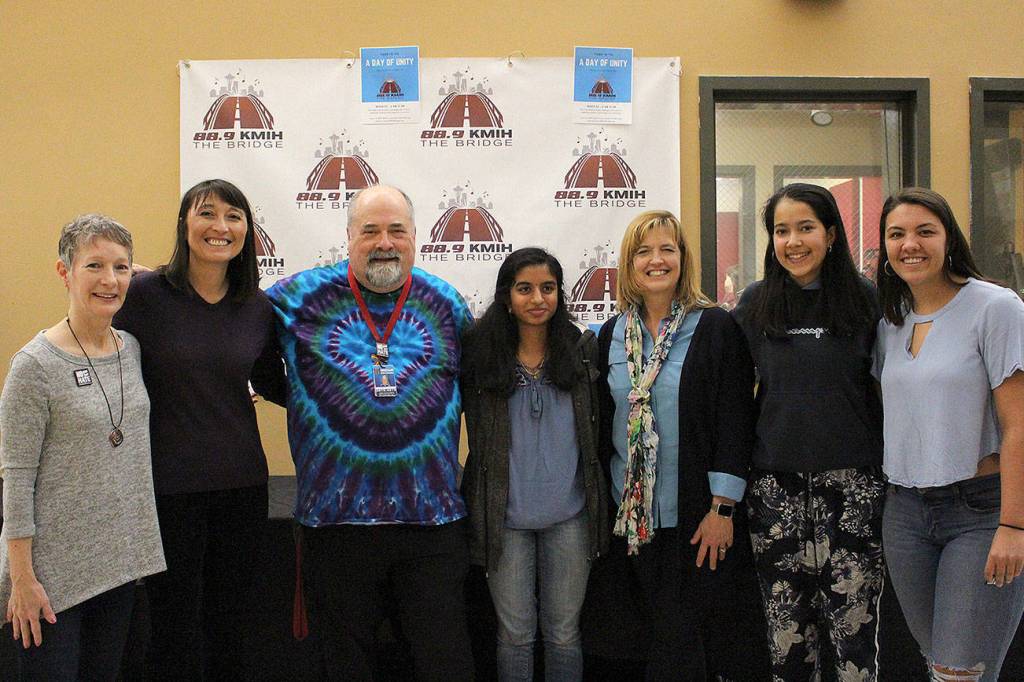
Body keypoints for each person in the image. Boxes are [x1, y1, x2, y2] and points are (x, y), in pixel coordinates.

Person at [266, 184, 475, 681]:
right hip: (335, 526)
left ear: (415, 237)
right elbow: (222, 317)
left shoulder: (447, 303)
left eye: (396, 230)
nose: (385, 242)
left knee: (446, 664)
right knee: (343, 667)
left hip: (431, 524)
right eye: (371, 231)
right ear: (348, 238)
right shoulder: (297, 298)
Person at [113, 179, 286, 679]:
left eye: (234, 216)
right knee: (174, 630)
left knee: (231, 627)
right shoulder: (143, 294)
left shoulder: (257, 307)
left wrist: (350, 407)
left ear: (247, 231)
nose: (220, 226)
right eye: (206, 213)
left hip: (242, 486)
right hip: (167, 489)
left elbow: (275, 382)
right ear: (185, 225)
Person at [595, 209, 764, 680]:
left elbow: (736, 419)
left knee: (685, 644)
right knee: (646, 644)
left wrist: (722, 509)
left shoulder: (714, 328)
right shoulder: (611, 335)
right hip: (631, 520)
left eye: (667, 249)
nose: (656, 260)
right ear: (629, 264)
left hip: (696, 519)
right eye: (644, 251)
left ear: (683, 259)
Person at [0, 215, 165, 680]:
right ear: (64, 272)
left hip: (116, 569)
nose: (109, 280)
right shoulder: (33, 365)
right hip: (51, 580)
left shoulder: (130, 348)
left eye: (121, 267)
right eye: (94, 265)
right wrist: (22, 579)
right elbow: (16, 477)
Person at [732, 184, 885, 681]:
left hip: (855, 487)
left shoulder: (867, 301)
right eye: (781, 231)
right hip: (775, 490)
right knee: (787, 636)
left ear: (831, 234)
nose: (793, 241)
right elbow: (729, 396)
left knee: (853, 635)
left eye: (806, 228)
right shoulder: (755, 304)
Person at [874, 188, 1024, 681]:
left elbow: (1018, 425)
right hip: (906, 516)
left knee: (961, 671)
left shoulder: (995, 307)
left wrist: (1014, 525)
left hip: (980, 513)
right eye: (897, 234)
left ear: (949, 239)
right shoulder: (890, 322)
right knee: (939, 665)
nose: (910, 245)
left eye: (925, 232)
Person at [461, 247, 609, 682]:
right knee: (515, 636)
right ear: (507, 296)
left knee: (564, 634)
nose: (537, 298)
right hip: (503, 520)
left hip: (571, 516)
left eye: (548, 288)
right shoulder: (479, 353)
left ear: (561, 295)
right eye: (524, 289)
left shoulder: (583, 350)